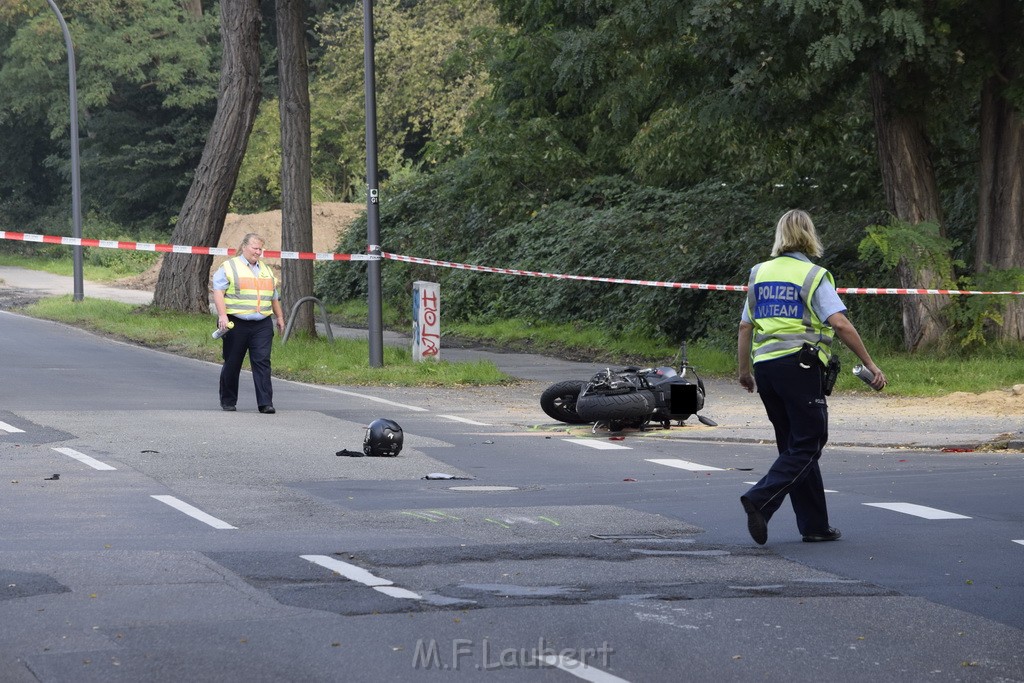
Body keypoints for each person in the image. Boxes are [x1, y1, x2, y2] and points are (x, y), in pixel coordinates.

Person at [737, 209, 886, 545]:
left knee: (795, 446)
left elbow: (746, 325)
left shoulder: (759, 273)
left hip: (766, 368)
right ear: (809, 235)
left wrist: (744, 371)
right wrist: (871, 364)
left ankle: (815, 525)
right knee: (809, 441)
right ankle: (760, 499)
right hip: (800, 367)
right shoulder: (813, 275)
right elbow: (840, 323)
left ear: (779, 236)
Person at [212, 233, 285, 413]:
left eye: (260, 249)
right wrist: (222, 316)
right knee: (233, 361)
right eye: (255, 248)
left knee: (262, 361)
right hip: (235, 322)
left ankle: (265, 403)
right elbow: (218, 292)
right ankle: (228, 401)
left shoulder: (266, 270)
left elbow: (274, 297)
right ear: (244, 247)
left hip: (262, 323)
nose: (258, 252)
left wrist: (280, 318)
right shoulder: (229, 267)